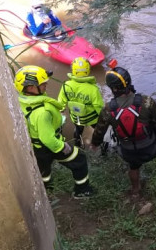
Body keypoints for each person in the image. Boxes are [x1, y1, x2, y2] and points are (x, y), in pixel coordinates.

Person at [90, 67, 156, 202]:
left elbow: (99, 132)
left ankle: (135, 191)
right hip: (151, 146)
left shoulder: (107, 110)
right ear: (128, 82)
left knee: (133, 165)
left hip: (128, 151)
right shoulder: (146, 102)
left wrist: (94, 144)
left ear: (112, 88)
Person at [14, 65, 95, 198]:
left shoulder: (22, 101)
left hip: (37, 148)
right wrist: (63, 147)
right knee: (79, 159)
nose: (46, 84)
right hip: (49, 146)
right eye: (42, 83)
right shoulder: (42, 113)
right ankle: (83, 191)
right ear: (30, 88)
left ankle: (46, 190)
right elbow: (48, 139)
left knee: (44, 170)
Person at [58, 56, 104, 146]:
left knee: (78, 131)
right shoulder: (93, 89)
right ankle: (100, 147)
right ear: (88, 70)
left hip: (76, 118)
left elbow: (60, 104)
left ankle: (77, 145)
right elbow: (99, 108)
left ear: (73, 70)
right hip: (92, 119)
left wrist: (61, 112)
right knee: (99, 131)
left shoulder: (66, 85)